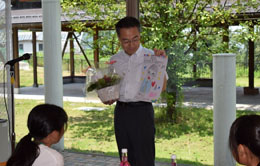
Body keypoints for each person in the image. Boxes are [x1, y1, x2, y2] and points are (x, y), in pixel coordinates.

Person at [108, 16, 167, 166]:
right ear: (119, 39)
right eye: (126, 41)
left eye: (135, 39)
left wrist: (162, 64)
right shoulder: (114, 60)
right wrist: (107, 97)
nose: (131, 45)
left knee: (144, 157)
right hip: (121, 112)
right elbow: (110, 89)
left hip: (142, 112)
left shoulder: (152, 56)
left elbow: (162, 87)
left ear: (140, 36)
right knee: (125, 155)